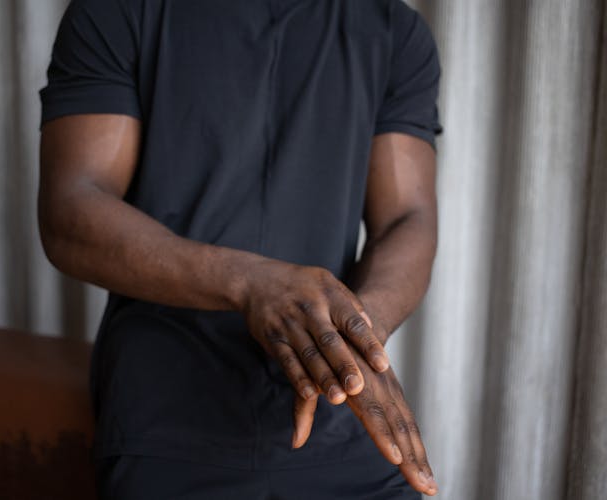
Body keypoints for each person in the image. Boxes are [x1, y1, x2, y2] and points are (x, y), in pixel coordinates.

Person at [38, 0, 442, 498]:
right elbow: (71, 208)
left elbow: (407, 217)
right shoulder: (119, 12)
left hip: (338, 408)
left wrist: (355, 333)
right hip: (168, 418)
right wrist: (250, 284)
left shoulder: (393, 31)